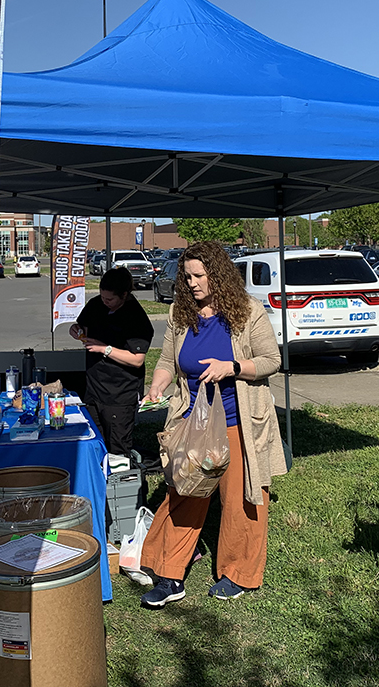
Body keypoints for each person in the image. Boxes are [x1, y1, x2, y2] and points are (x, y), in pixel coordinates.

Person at [138, 241, 285, 607]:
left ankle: (238, 573)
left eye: (199, 275)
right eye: (186, 276)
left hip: (239, 423)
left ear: (217, 275)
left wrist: (232, 368)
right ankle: (170, 575)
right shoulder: (179, 313)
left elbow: (271, 360)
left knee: (241, 501)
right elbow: (167, 360)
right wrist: (158, 382)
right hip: (193, 422)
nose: (191, 283)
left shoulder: (248, 311)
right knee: (184, 493)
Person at [69, 266, 155, 462]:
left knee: (117, 449)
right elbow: (82, 325)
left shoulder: (136, 317)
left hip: (120, 394)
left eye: (110, 299)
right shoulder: (96, 305)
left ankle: (119, 487)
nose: (105, 302)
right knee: (94, 442)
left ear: (124, 295)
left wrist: (104, 348)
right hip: (94, 387)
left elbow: (137, 359)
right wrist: (76, 329)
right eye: (102, 297)